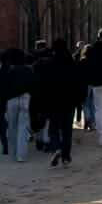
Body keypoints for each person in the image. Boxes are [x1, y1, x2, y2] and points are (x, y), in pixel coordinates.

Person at [41, 37, 85, 167]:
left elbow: (44, 84)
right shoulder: (72, 63)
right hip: (69, 101)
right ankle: (66, 156)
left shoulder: (49, 64)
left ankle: (56, 148)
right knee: (67, 130)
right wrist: (79, 99)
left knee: (53, 128)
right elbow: (79, 83)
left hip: (54, 101)